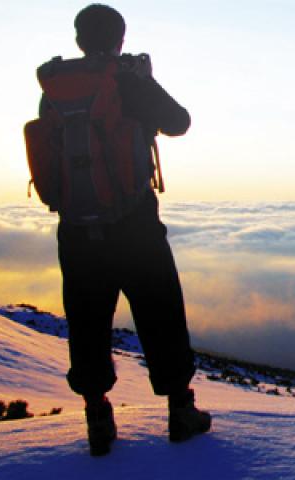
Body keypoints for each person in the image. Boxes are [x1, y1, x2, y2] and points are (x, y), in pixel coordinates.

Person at [41, 4, 211, 456]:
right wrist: (140, 78)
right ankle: (180, 411)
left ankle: (98, 417)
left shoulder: (55, 88)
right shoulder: (127, 81)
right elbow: (179, 122)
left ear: (79, 40)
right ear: (119, 38)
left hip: (76, 230)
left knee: (86, 319)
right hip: (134, 225)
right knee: (161, 313)